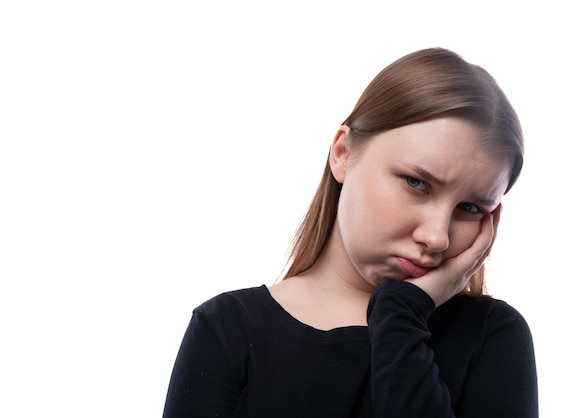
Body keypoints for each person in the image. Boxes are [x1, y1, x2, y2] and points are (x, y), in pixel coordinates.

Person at [163, 47, 538, 417]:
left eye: (470, 208)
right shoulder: (226, 331)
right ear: (343, 153)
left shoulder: (493, 336)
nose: (437, 237)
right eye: (416, 183)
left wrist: (399, 312)